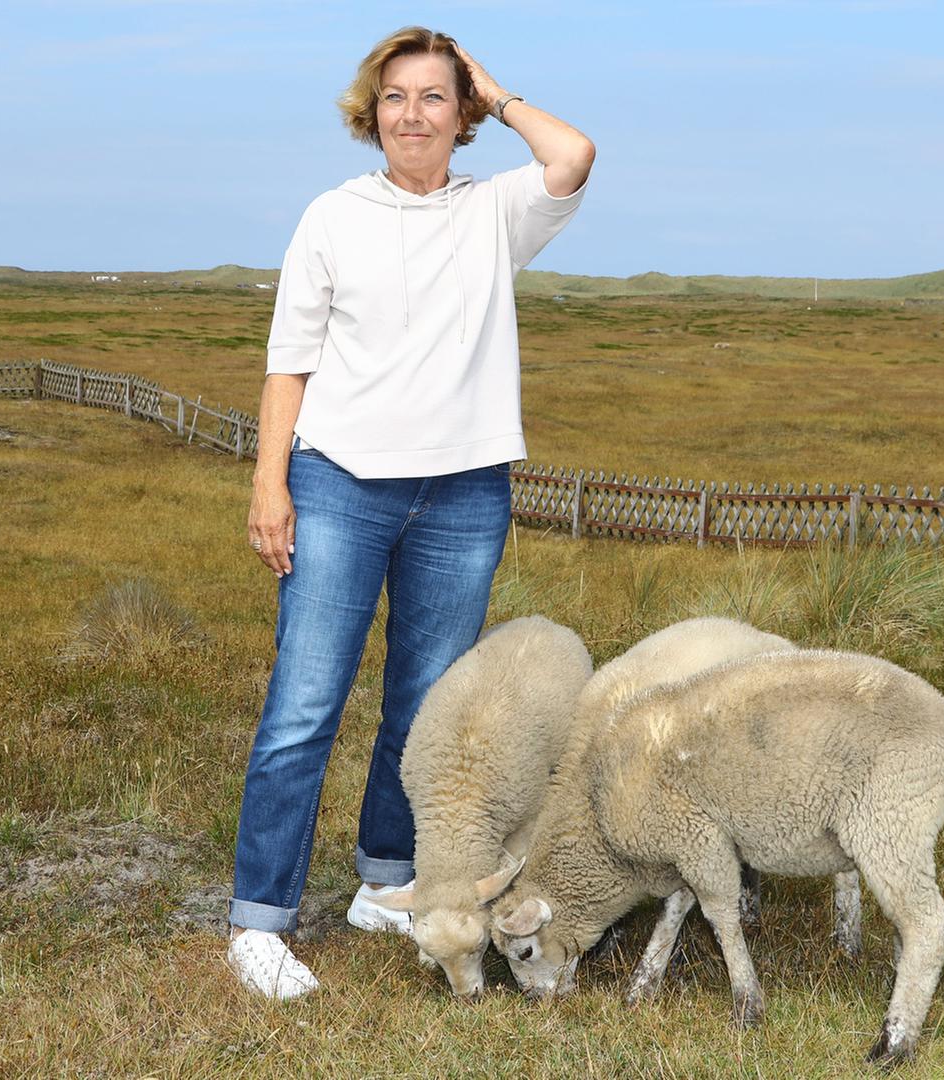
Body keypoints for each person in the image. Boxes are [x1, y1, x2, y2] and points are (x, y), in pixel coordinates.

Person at [226, 25, 595, 999]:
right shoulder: (332, 216)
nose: (414, 115)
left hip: (465, 492)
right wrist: (271, 484)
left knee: (423, 707)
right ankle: (260, 921)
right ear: (371, 112)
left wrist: (497, 89)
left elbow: (573, 155)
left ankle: (383, 879)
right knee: (305, 704)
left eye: (436, 97)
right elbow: (288, 363)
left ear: (461, 113)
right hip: (340, 481)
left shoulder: (496, 212)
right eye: (396, 97)